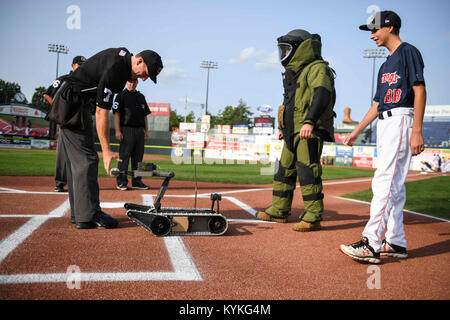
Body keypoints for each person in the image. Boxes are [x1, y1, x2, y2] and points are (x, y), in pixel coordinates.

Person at [339, 11, 426, 263]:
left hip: (402, 118)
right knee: (394, 187)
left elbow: (419, 90)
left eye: (375, 29)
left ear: (390, 27)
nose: (372, 35)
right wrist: (356, 131)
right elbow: (377, 104)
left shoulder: (408, 51)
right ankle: (396, 241)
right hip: (386, 122)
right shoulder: (386, 64)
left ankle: (371, 242)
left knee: (385, 182)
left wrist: (417, 130)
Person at [51, 48, 163, 229]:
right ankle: (88, 215)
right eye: (145, 74)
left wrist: (129, 74)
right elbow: (102, 112)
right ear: (139, 61)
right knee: (87, 160)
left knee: (77, 163)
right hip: (73, 106)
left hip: (73, 102)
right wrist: (106, 150)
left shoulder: (123, 58)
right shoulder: (117, 70)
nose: (143, 79)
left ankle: (80, 213)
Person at [256, 29, 336, 232]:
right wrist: (283, 127)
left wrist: (310, 121)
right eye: (281, 49)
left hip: (308, 129)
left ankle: (313, 215)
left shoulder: (318, 68)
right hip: (293, 130)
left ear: (301, 48)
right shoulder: (294, 72)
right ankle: (279, 210)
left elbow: (322, 94)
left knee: (308, 171)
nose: (283, 53)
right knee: (283, 171)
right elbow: (289, 102)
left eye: (286, 49)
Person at [44, 55, 86, 192]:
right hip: (65, 121)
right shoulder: (63, 80)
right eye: (79, 64)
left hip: (78, 121)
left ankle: (76, 182)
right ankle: (60, 183)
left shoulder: (84, 82)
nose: (81, 67)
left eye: (83, 65)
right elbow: (47, 94)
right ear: (73, 66)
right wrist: (58, 110)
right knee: (62, 153)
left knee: (79, 154)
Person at [113, 79, 151, 190]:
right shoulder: (121, 95)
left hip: (140, 130)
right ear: (126, 82)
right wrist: (117, 130)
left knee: (138, 158)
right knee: (124, 157)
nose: (132, 83)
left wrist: (146, 131)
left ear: (137, 82)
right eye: (130, 81)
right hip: (126, 129)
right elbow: (117, 114)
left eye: (134, 81)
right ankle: (121, 181)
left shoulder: (141, 97)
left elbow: (145, 116)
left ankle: (137, 181)